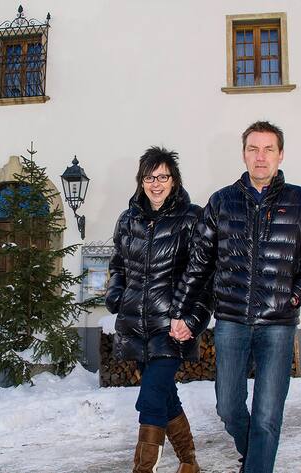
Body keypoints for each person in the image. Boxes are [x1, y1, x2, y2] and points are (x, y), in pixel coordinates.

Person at [169, 121, 301, 473]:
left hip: (278, 324)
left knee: (267, 416)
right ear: (244, 154)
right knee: (228, 407)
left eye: (268, 149)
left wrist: (295, 295)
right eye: (253, 149)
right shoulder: (221, 202)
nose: (261, 157)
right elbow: (199, 263)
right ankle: (257, 458)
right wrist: (180, 310)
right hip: (231, 322)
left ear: (280, 155)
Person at [106, 146, 211, 473]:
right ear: (141, 181)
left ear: (174, 180)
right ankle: (189, 463)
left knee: (151, 395)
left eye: (163, 177)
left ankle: (143, 468)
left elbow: (205, 275)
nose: (156, 184)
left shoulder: (192, 218)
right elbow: (118, 265)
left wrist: (192, 320)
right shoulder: (128, 220)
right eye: (150, 178)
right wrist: (115, 295)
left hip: (172, 325)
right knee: (164, 395)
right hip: (136, 324)